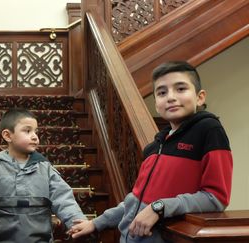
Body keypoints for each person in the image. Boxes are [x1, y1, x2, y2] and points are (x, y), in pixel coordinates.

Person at [68, 61, 233, 242]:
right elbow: (135, 202)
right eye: (162, 92)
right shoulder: (155, 146)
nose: (170, 97)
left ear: (200, 97)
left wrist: (159, 207)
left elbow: (216, 198)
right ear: (156, 104)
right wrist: (96, 223)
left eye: (180, 89)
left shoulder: (209, 129)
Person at [0, 108, 87, 242]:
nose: (35, 136)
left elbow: (63, 198)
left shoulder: (45, 168)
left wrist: (76, 221)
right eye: (27, 131)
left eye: (35, 132)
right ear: (7, 136)